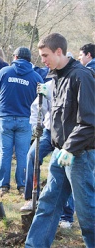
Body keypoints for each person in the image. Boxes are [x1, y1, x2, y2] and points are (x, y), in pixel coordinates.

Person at [25, 33, 95, 248]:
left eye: (45, 55)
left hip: (78, 155)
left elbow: (89, 120)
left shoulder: (81, 76)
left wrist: (71, 148)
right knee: (47, 204)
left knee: (87, 213)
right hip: (59, 154)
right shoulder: (57, 77)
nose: (42, 60)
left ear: (59, 51)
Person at [20, 79, 75, 229]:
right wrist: (35, 126)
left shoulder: (76, 83)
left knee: (65, 170)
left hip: (67, 135)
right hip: (49, 131)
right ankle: (31, 198)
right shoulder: (49, 85)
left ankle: (66, 216)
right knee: (32, 156)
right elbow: (37, 108)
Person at [0, 47, 43, 196]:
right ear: (29, 59)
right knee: (23, 154)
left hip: (5, 118)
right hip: (25, 119)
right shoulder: (36, 77)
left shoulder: (4, 72)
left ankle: (3, 186)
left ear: (15, 57)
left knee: (5, 152)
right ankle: (22, 186)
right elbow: (41, 99)